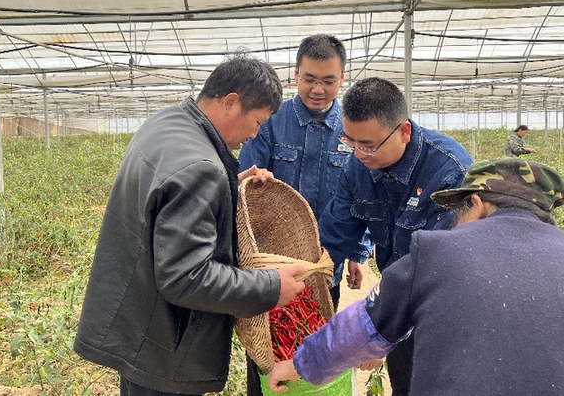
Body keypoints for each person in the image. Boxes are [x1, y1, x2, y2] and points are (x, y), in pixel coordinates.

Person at [73, 53, 308, 396]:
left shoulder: (168, 124)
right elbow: (186, 277)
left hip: (144, 327)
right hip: (165, 346)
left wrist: (228, 186)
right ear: (231, 102)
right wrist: (269, 288)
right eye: (257, 122)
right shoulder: (201, 168)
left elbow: (169, 199)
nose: (255, 135)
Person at [268, 158, 564, 396]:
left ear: (478, 204)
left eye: (459, 213)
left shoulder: (437, 251)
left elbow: (361, 330)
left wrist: (298, 366)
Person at [317, 77, 473, 396]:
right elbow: (335, 236)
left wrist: (382, 332)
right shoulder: (357, 168)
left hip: (446, 313)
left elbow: (434, 271)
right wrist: (306, 279)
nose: (359, 153)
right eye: (351, 142)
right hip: (398, 298)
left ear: (403, 132)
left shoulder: (449, 173)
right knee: (405, 383)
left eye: (369, 145)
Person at [238, 34, 371, 394]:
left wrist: (359, 254)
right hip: (268, 266)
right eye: (310, 78)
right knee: (267, 353)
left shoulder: (352, 127)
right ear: (295, 74)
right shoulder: (271, 120)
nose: (318, 89)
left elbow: (366, 193)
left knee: (317, 347)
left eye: (328, 81)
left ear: (342, 79)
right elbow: (245, 190)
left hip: (323, 264)